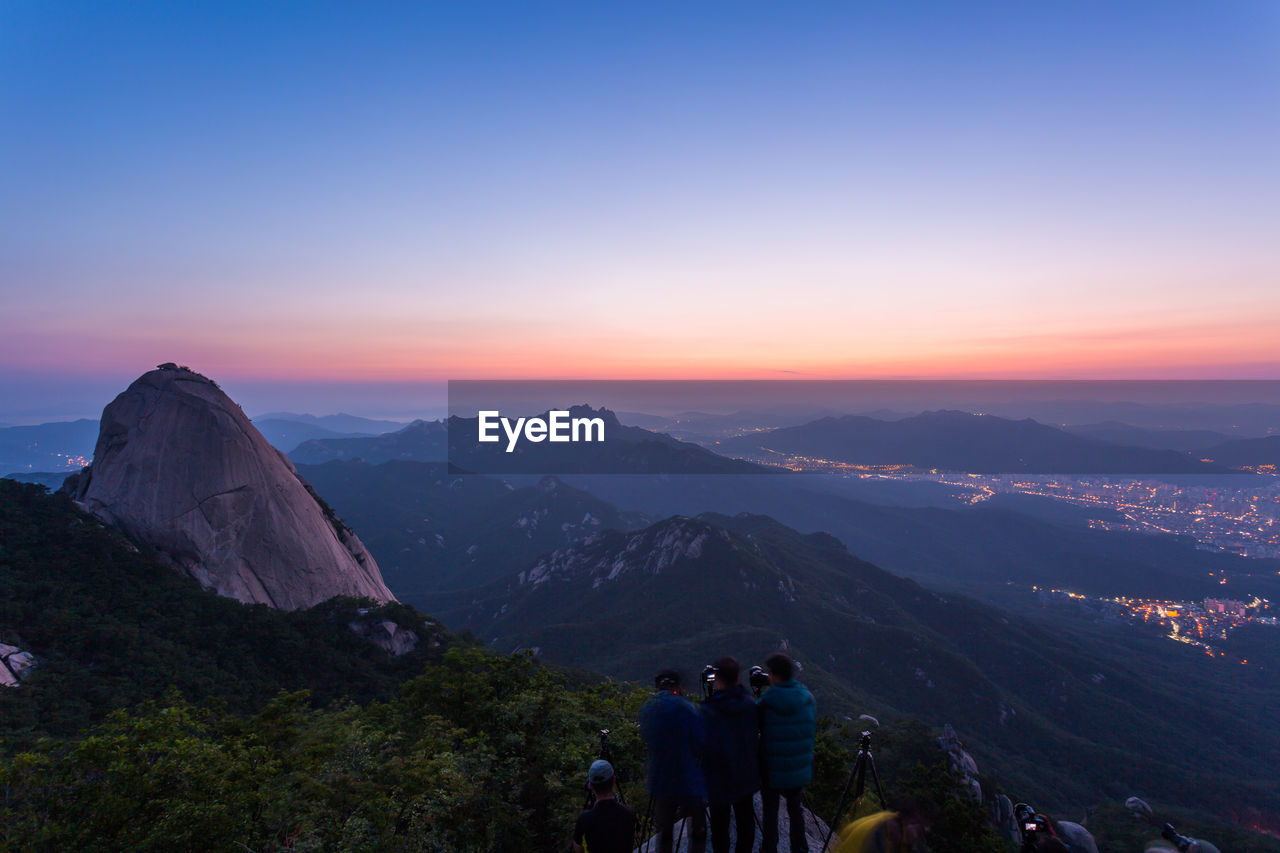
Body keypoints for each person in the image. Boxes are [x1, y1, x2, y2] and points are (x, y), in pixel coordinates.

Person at [640, 669, 708, 853]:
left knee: (665, 833)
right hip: (688, 778)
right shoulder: (687, 708)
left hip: (660, 779)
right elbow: (701, 742)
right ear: (678, 686)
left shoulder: (648, 709)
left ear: (657, 686)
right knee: (698, 829)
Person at [756, 652, 816, 853]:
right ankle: (799, 848)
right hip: (798, 769)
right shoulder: (806, 697)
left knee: (771, 813)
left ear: (773, 674)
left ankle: (770, 849)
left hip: (772, 769)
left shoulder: (768, 700)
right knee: (795, 810)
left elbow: (753, 726)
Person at [700, 656, 760, 853]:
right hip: (745, 776)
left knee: (719, 828)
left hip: (718, 780)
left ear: (717, 678)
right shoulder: (750, 705)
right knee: (745, 823)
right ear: (737, 677)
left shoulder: (710, 709)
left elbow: (702, 745)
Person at [573, 759, 637, 853]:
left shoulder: (585, 819)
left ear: (590, 786)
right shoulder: (628, 813)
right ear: (614, 781)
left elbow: (577, 847)